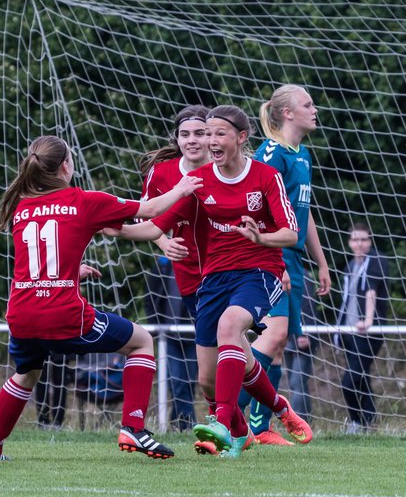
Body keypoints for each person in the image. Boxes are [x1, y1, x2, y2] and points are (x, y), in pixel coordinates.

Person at [0, 135, 201, 461]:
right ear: (67, 165)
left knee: (27, 373)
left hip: (21, 313)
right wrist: (182, 189)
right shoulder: (84, 200)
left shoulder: (21, 206)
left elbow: (37, 261)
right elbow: (149, 210)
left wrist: (71, 271)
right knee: (140, 341)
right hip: (62, 313)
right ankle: (134, 428)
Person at [121, 105, 314, 458]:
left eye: (217, 133)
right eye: (205, 133)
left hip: (259, 272)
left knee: (230, 327)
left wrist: (261, 239)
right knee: (209, 379)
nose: (210, 141)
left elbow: (290, 233)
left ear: (241, 137)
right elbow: (152, 226)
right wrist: (108, 224)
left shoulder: (265, 176)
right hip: (213, 279)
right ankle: (257, 421)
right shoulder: (196, 183)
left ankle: (222, 422)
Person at [238, 85, 331, 446]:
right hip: (271, 259)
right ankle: (224, 417)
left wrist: (321, 262)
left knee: (279, 345)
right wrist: (274, 263)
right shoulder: (271, 154)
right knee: (272, 336)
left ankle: (260, 429)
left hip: (294, 262)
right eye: (308, 104)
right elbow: (258, 215)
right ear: (287, 113)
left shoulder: (301, 154)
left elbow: (302, 215)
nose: (315, 109)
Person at [137, 104, 211, 420]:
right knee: (208, 348)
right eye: (185, 134)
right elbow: (145, 213)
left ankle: (236, 416)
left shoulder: (230, 167)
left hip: (230, 269)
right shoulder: (162, 173)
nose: (192, 140)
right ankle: (216, 418)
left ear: (212, 136)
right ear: (177, 139)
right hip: (189, 273)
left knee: (234, 341)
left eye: (200, 133)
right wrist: (165, 243)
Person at [334, 223, 388, 432]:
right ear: (349, 242)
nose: (359, 244)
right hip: (349, 332)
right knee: (362, 377)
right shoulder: (349, 266)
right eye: (355, 239)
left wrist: (368, 320)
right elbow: (346, 300)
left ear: (370, 241)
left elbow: (371, 291)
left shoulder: (377, 261)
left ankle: (356, 421)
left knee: (350, 379)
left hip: (368, 332)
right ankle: (369, 421)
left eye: (363, 239)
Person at [144, 254, 198, 430]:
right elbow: (150, 297)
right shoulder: (164, 264)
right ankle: (188, 425)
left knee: (190, 383)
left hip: (196, 334)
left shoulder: (202, 262)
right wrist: (156, 327)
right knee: (176, 382)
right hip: (169, 337)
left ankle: (177, 424)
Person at [282, 286, 320, 420]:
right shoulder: (276, 272)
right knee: (294, 383)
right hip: (286, 337)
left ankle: (299, 421)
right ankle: (305, 420)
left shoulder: (302, 276)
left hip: (301, 338)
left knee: (297, 382)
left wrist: (305, 333)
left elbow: (308, 306)